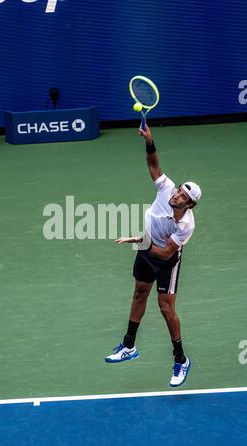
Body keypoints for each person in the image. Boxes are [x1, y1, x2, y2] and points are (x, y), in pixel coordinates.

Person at [105, 122, 202, 387]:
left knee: (166, 309)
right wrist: (149, 141)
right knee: (139, 293)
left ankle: (181, 359)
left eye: (183, 197)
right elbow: (153, 163)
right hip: (148, 247)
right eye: (179, 191)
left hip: (166, 261)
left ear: (190, 205)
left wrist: (140, 241)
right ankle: (129, 347)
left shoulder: (186, 225)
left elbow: (165, 253)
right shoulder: (166, 189)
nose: (177, 196)